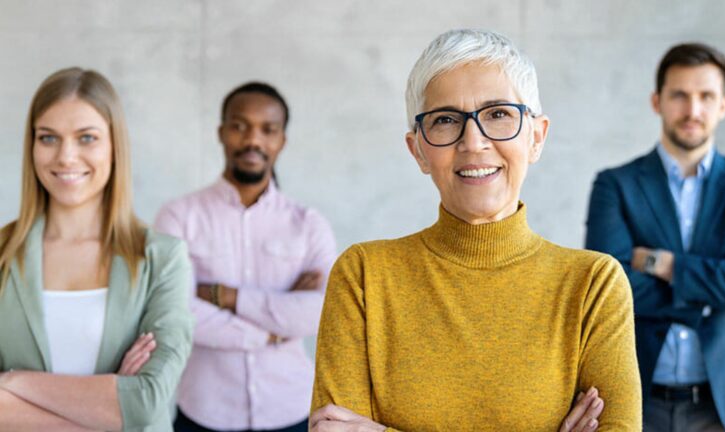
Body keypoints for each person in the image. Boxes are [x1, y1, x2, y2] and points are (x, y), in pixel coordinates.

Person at [310, 29, 641, 431]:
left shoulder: (593, 285)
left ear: (536, 137)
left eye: (498, 114)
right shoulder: (364, 276)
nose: (473, 142)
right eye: (446, 120)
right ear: (417, 150)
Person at [586, 43, 725, 431]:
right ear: (657, 101)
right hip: (638, 398)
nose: (692, 110)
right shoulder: (614, 186)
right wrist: (718, 286)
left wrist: (666, 265)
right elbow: (610, 288)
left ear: (724, 105)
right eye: (680, 95)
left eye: (706, 97)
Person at [0, 67, 193, 431]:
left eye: (86, 138)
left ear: (114, 146)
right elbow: (127, 413)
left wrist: (12, 382)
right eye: (48, 138)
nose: (66, 157)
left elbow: (146, 401)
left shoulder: (163, 258)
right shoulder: (2, 254)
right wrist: (107, 405)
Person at [155, 82, 337, 432]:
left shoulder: (309, 224)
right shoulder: (178, 216)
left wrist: (224, 296)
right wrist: (271, 331)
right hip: (203, 413)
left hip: (292, 411)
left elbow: (324, 312)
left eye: (267, 130)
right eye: (240, 126)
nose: (253, 140)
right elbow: (173, 311)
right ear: (222, 133)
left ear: (282, 140)